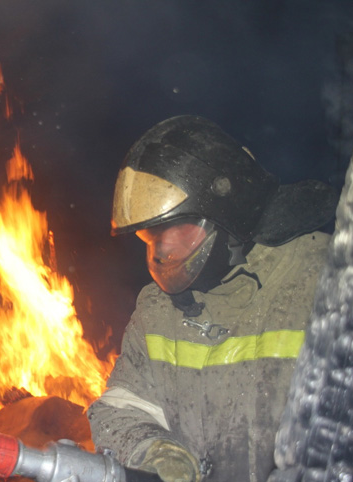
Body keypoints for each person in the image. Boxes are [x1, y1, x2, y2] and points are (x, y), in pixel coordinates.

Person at [87, 115, 339, 482]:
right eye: (152, 236)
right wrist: (153, 450)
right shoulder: (156, 311)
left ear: (228, 215)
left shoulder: (326, 284)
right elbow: (122, 409)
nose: (162, 252)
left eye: (176, 228)